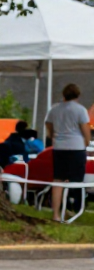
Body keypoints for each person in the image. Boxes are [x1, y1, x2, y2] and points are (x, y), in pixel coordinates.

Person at [43, 82, 91, 222]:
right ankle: (73, 209)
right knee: (76, 180)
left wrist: (53, 136)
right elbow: (85, 129)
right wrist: (86, 142)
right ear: (78, 95)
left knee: (58, 179)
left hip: (59, 147)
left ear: (64, 94)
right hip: (76, 147)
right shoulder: (80, 110)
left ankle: (56, 214)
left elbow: (48, 124)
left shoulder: (54, 109)